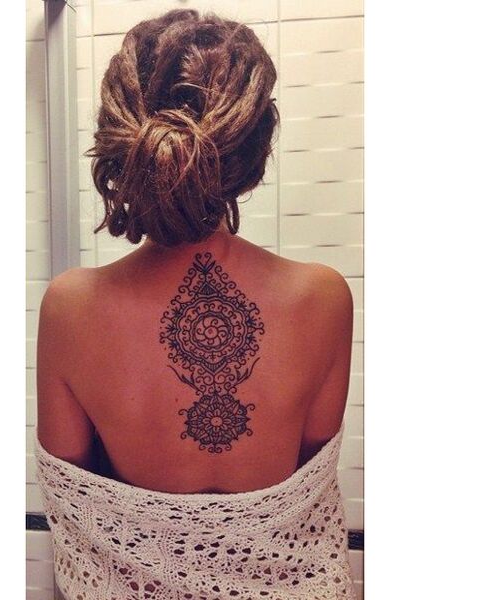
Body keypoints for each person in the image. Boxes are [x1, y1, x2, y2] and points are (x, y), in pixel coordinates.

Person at [34, 8, 356, 599]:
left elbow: (76, 506)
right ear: (257, 151)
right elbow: (307, 483)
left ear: (122, 142)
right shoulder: (323, 298)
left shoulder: (71, 308)